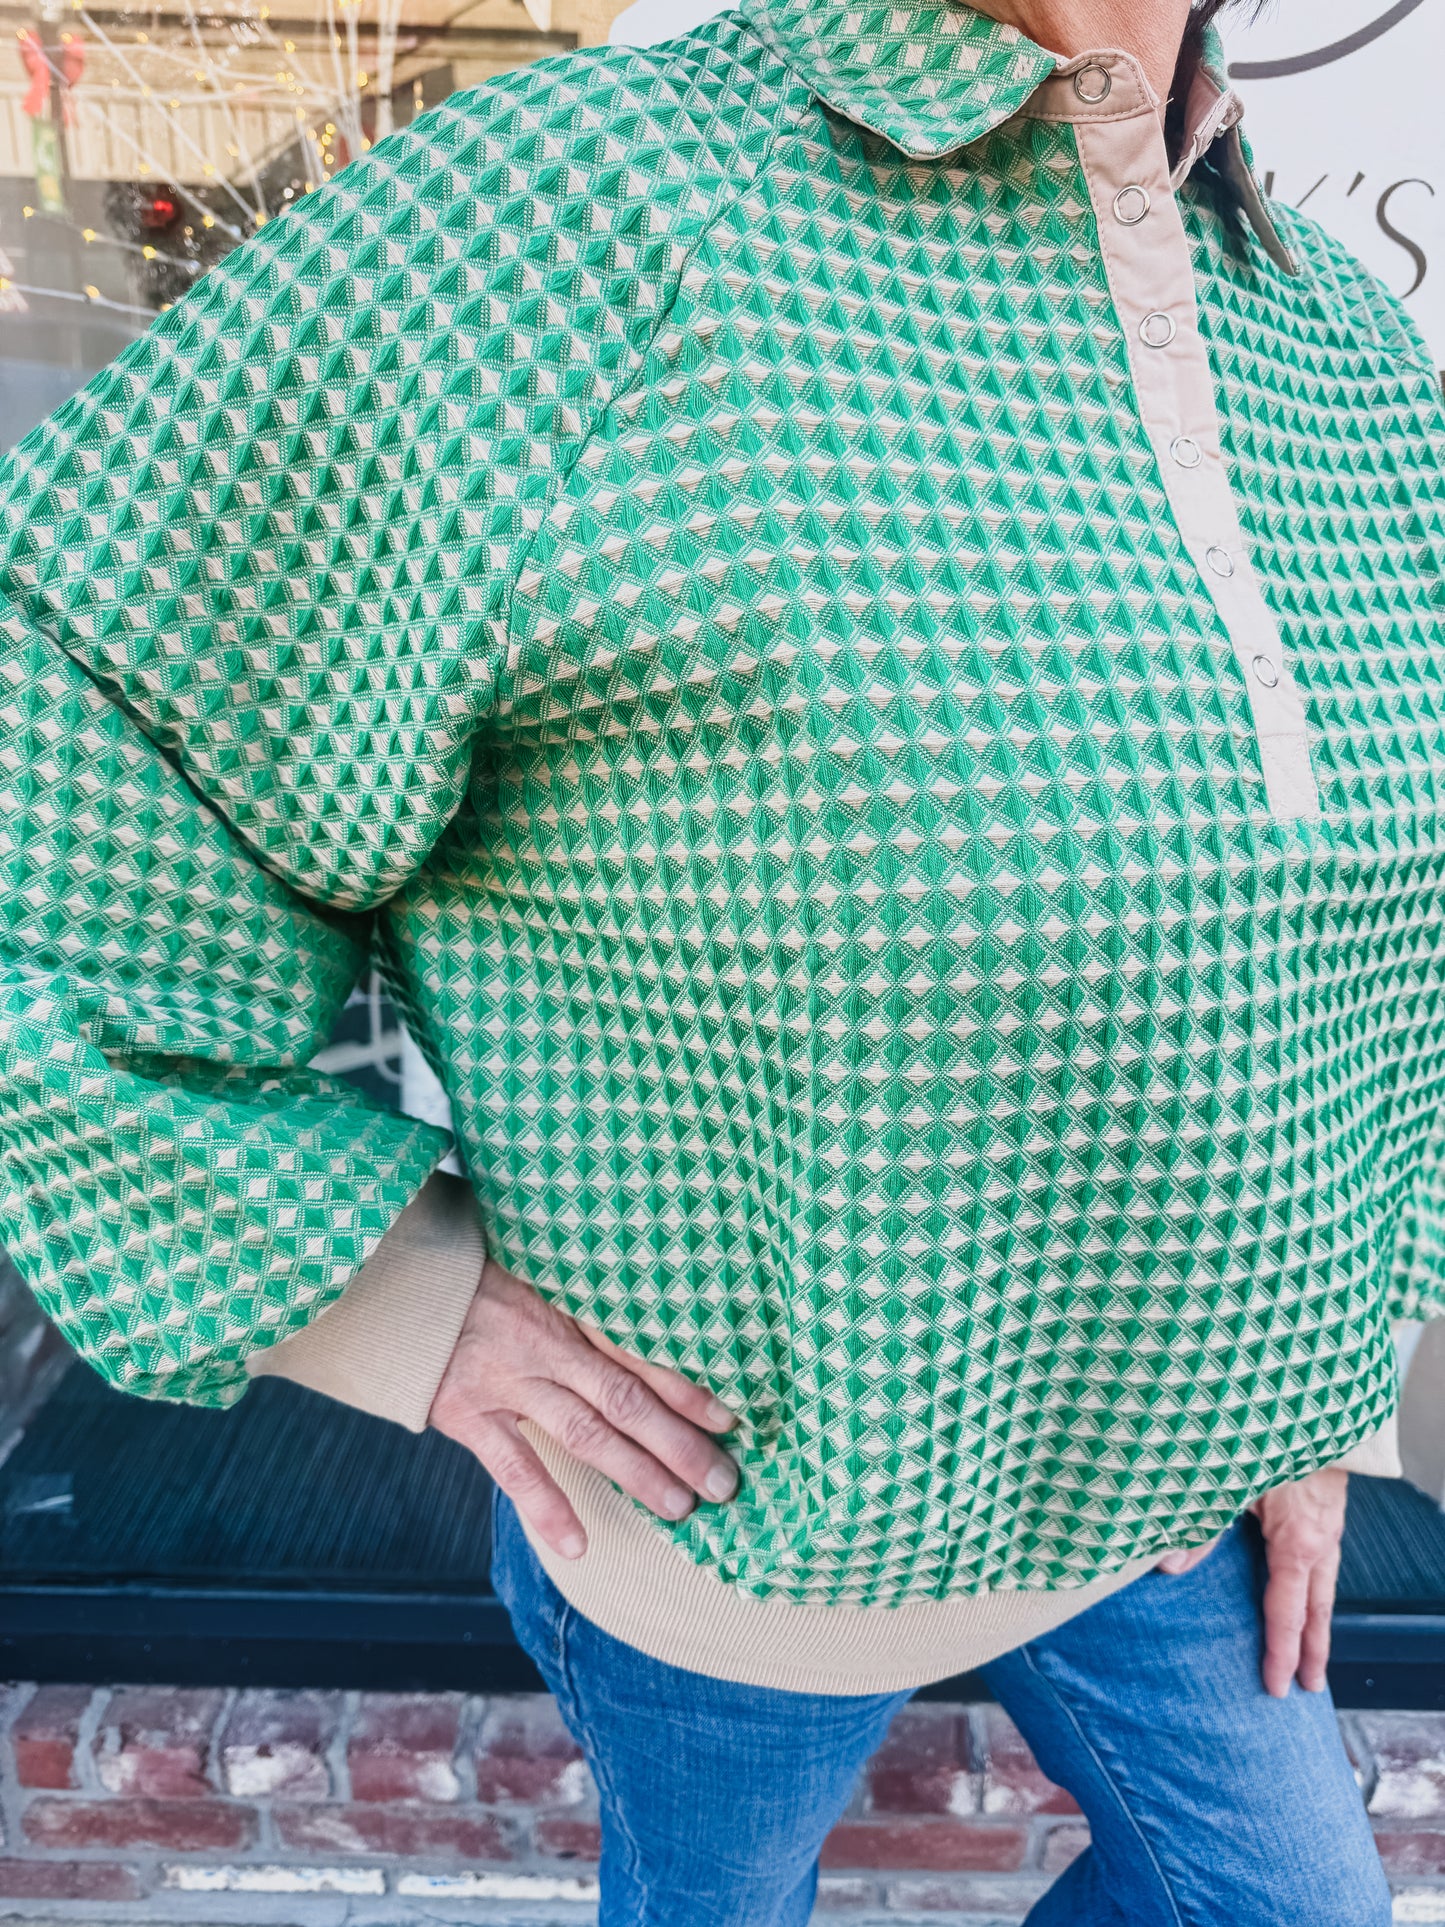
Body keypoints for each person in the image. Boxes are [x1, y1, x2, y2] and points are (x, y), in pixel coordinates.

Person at [0, 0, 1436, 1914]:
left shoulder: (1331, 336)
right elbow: (68, 703)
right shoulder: (586, 214)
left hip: (1183, 1501)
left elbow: (1362, 951)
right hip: (721, 1524)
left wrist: (1322, 1383)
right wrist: (394, 1302)